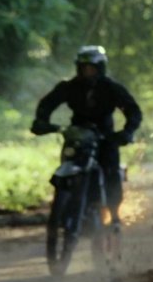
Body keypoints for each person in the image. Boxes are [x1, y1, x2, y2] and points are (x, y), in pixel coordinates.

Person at [31, 45, 142, 227]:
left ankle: (114, 216)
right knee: (66, 163)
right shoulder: (69, 87)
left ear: (100, 68)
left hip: (105, 137)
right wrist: (41, 121)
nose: (87, 72)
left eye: (91, 68)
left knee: (111, 170)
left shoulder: (111, 88)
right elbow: (47, 104)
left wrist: (127, 131)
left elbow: (133, 111)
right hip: (77, 137)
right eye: (84, 68)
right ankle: (65, 207)